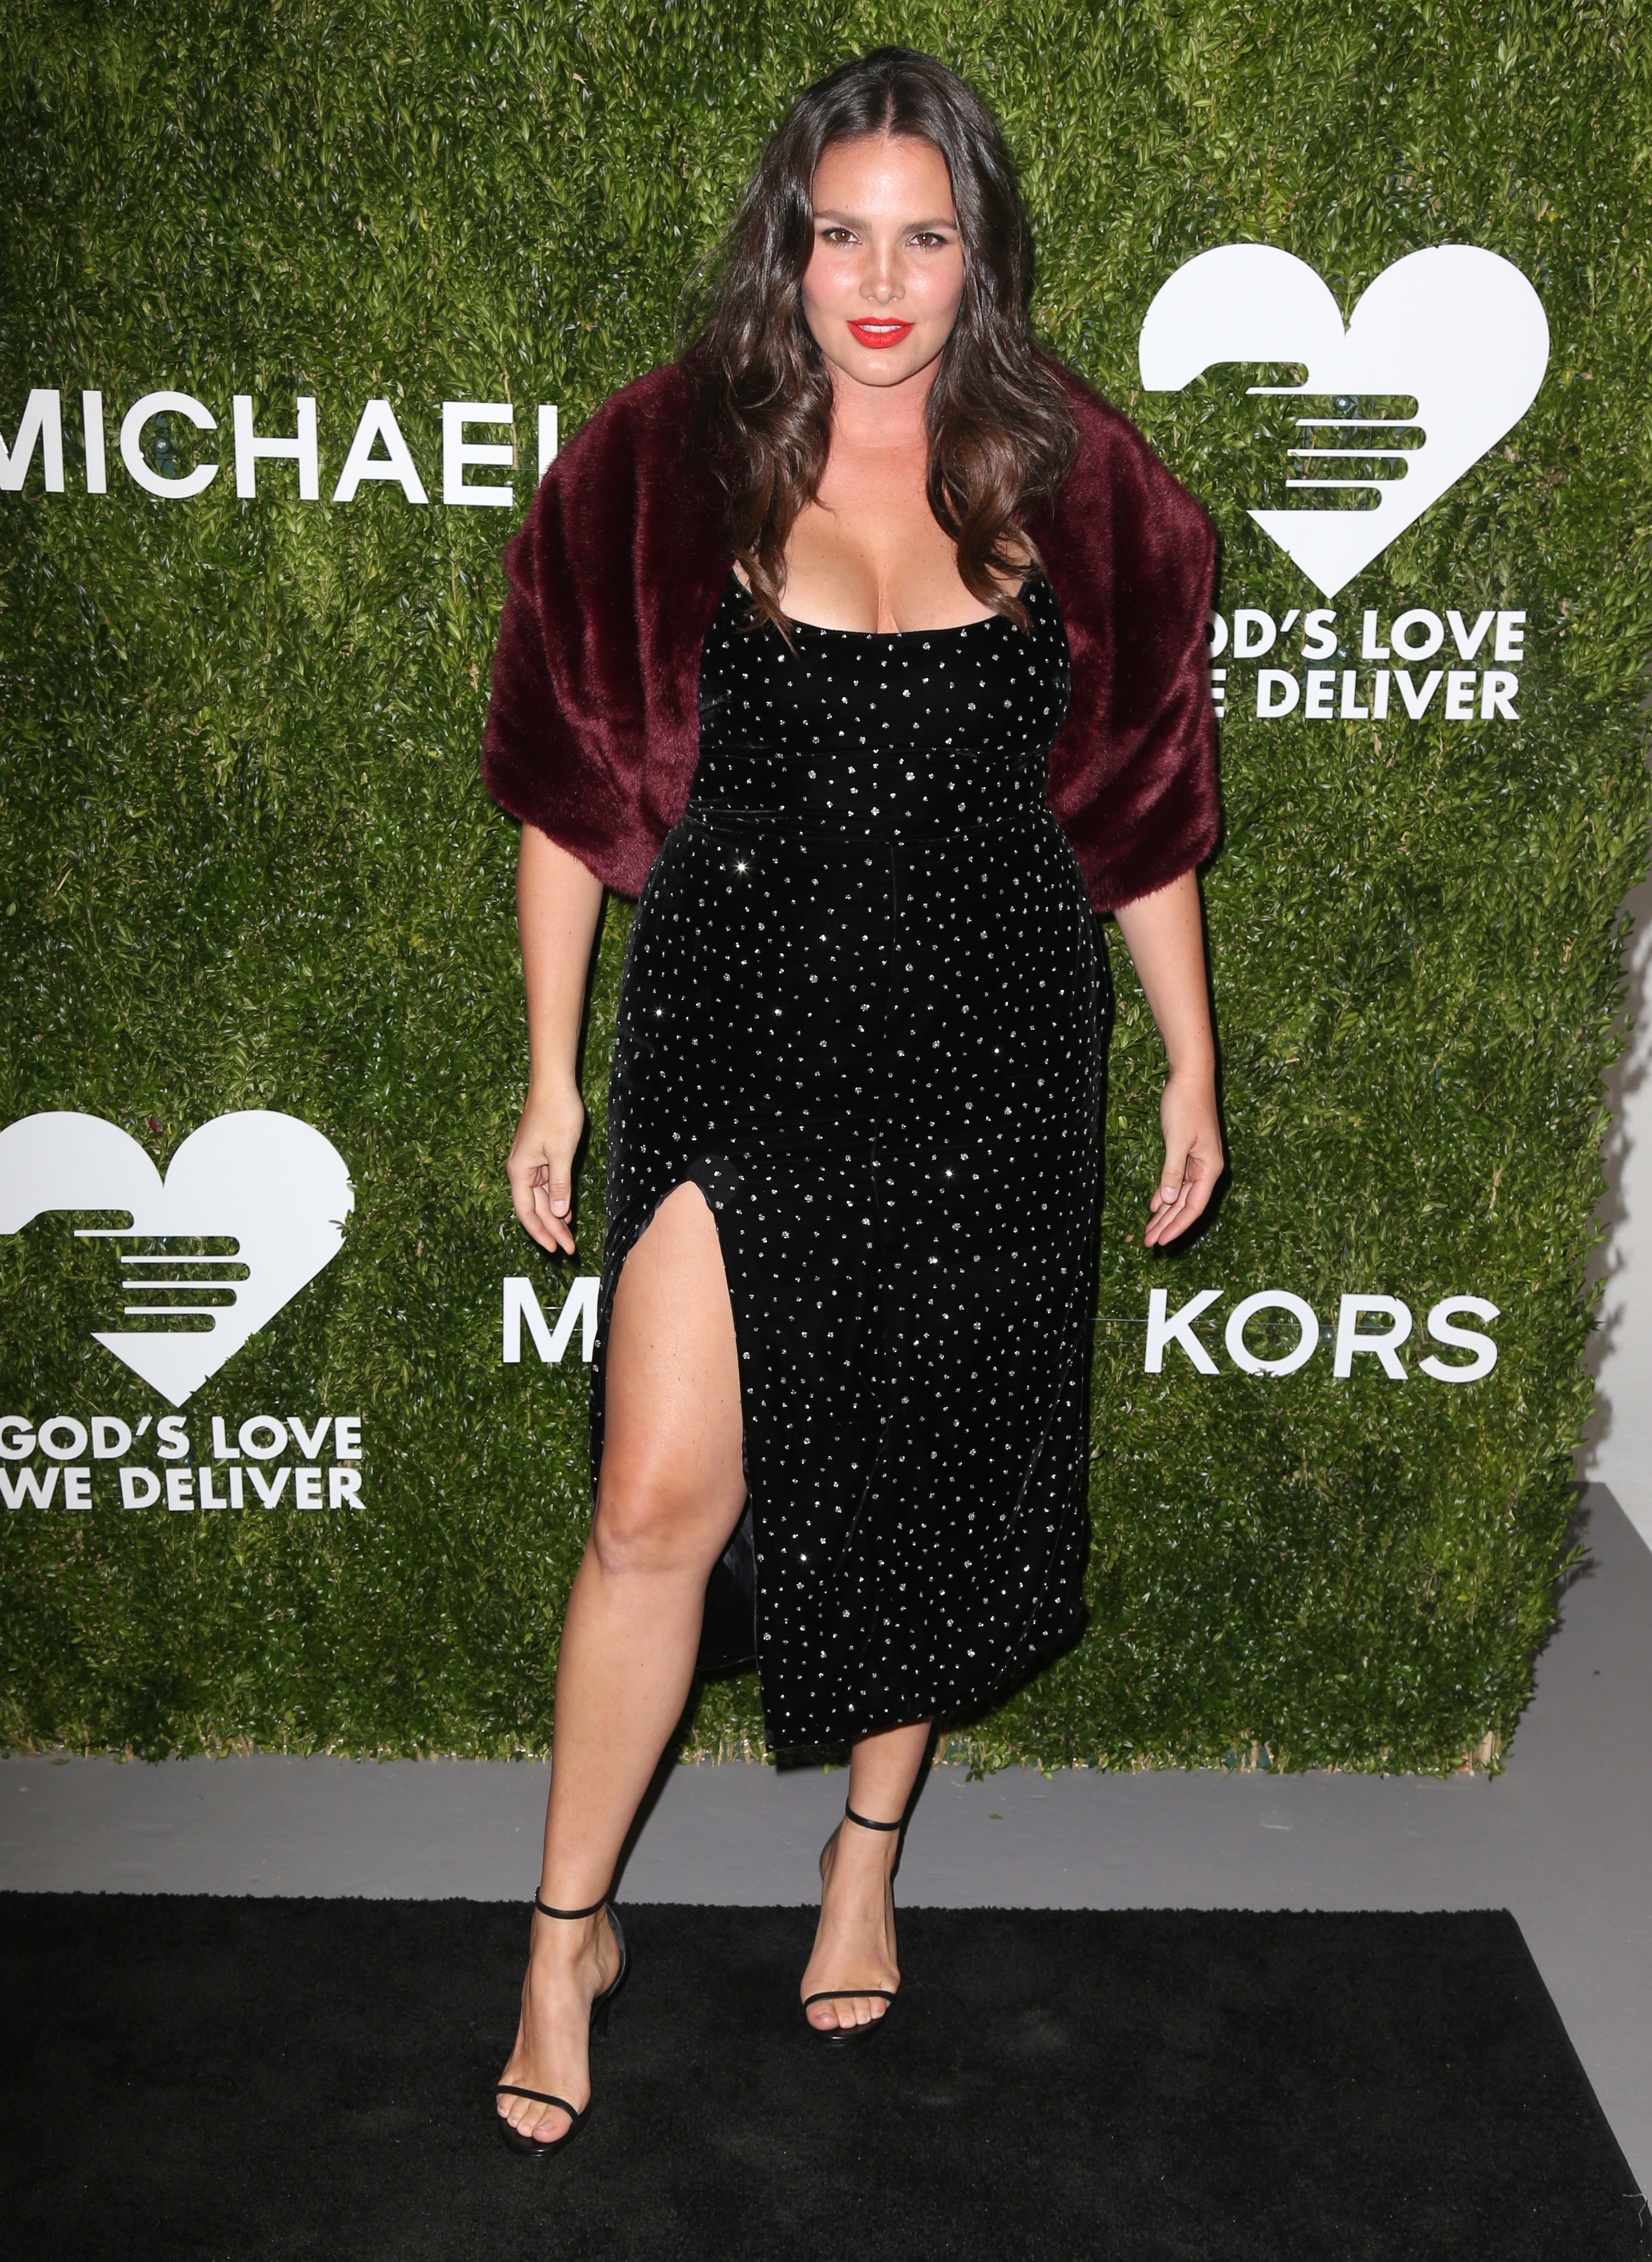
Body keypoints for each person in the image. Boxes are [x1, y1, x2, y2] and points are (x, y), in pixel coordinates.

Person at [481, 47, 1223, 2156]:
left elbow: (1134, 804)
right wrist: (549, 1073)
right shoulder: (661, 463)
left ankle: (865, 1858)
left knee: (921, 1485)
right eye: (840, 235)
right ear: (785, 247)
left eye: (924, 237)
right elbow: (568, 790)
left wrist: (1190, 1055)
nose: (878, 284)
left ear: (978, 256)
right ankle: (561, 1935)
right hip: (736, 1039)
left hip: (993, 1054)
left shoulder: (1077, 480)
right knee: (651, 1505)